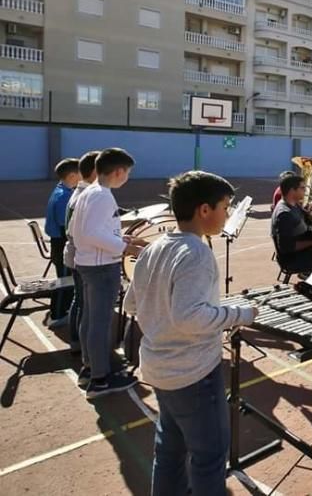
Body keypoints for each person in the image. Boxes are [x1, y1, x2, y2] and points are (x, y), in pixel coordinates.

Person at [123, 171, 257, 494]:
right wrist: (240, 314)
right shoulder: (196, 253)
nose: (227, 214)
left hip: (160, 369)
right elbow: (188, 317)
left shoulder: (154, 249)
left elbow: (131, 304)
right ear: (204, 210)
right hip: (192, 374)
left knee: (169, 450)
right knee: (209, 458)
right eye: (225, 206)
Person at [70, 147, 143, 399]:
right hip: (101, 267)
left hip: (89, 264)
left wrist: (119, 237)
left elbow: (85, 230)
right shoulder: (102, 196)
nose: (128, 177)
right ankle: (100, 380)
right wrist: (125, 247)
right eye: (128, 173)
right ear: (119, 171)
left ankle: (90, 368)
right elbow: (91, 233)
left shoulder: (89, 192)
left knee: (90, 319)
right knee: (100, 323)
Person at [64, 150, 100, 353]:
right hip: (81, 258)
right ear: (96, 171)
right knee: (83, 303)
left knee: (80, 300)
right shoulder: (85, 197)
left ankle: (77, 341)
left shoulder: (80, 193)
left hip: (77, 256)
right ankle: (80, 344)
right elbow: (84, 233)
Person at [44, 158, 80, 327]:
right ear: (73, 175)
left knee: (65, 279)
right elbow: (65, 227)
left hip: (58, 243)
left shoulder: (62, 191)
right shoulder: (64, 197)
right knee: (65, 281)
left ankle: (59, 310)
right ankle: (57, 315)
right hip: (61, 244)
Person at [271, 174, 312, 275]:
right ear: (292, 190)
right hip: (293, 259)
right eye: (302, 188)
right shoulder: (285, 214)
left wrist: (309, 211)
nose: (305, 191)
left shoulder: (293, 203)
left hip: (302, 246)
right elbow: (286, 248)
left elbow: (306, 219)